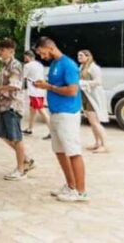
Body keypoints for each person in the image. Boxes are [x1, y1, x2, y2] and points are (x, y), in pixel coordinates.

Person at [34, 37, 88, 202]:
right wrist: (46, 84)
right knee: (60, 151)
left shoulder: (68, 64)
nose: (42, 57)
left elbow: (72, 90)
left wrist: (48, 87)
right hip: (55, 112)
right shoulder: (54, 64)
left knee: (73, 151)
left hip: (68, 113)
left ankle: (81, 191)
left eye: (42, 53)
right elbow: (56, 85)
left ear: (49, 47)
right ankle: (70, 185)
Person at [0, 39, 35, 181]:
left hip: (12, 105)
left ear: (11, 51)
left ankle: (21, 170)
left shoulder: (15, 65)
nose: (0, 52)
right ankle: (27, 159)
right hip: (3, 104)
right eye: (0, 49)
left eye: (2, 50)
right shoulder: (4, 65)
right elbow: (2, 83)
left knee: (16, 138)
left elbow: (15, 85)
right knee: (4, 135)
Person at [77, 50, 109, 153]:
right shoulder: (81, 67)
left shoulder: (94, 68)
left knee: (95, 122)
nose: (79, 57)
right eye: (78, 55)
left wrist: (83, 83)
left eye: (81, 55)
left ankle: (104, 145)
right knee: (92, 122)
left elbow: (98, 82)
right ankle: (97, 143)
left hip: (93, 98)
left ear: (88, 56)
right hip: (85, 96)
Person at [22, 50, 51, 140]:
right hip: (41, 90)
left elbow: (23, 77)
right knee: (32, 110)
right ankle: (30, 129)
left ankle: (52, 131)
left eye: (25, 57)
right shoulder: (39, 64)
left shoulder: (27, 66)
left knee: (41, 110)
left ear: (27, 57)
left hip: (34, 92)